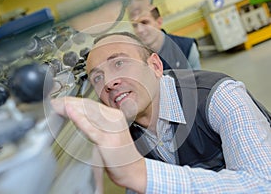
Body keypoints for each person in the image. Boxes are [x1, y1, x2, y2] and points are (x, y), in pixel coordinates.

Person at [51, 31, 271, 193]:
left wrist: (138, 172)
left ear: (155, 66)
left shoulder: (218, 96)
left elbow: (263, 184)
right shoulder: (126, 131)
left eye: (119, 63)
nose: (109, 82)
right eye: (97, 77)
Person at [127, 0, 201, 70]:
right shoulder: (133, 58)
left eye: (145, 22)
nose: (140, 30)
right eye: (135, 25)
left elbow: (198, 80)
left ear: (159, 22)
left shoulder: (186, 47)